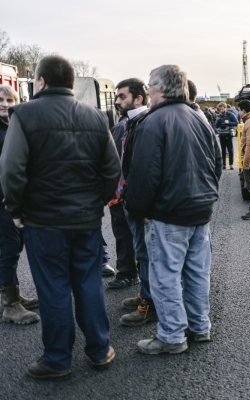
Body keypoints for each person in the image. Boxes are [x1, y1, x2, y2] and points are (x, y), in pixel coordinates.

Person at [0, 55, 121, 380]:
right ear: (70, 83)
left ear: (40, 82)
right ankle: (100, 350)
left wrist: (16, 210)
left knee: (53, 287)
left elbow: (11, 170)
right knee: (89, 282)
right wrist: (99, 200)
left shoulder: (23, 115)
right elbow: (112, 168)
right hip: (86, 220)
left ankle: (57, 359)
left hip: (43, 221)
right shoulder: (96, 117)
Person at [126, 64, 222, 355]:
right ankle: (199, 326)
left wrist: (139, 209)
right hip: (199, 210)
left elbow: (143, 174)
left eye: (150, 86)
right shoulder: (199, 117)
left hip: (168, 214)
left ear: (162, 89)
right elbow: (216, 162)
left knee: (165, 276)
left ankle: (171, 336)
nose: (147, 91)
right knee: (197, 273)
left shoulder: (153, 122)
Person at [0, 84, 39, 325]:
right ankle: (10, 304)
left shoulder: (14, 127)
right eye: (0, 100)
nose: (5, 104)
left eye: (9, 100)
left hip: (15, 199)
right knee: (9, 248)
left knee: (14, 246)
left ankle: (12, 291)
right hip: (3, 200)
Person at [105, 78, 147, 292]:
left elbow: (115, 163)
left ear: (138, 99)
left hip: (122, 194)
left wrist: (115, 193)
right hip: (127, 193)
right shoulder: (134, 123)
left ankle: (127, 273)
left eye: (122, 97)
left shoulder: (124, 126)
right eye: (116, 96)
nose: (117, 101)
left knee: (124, 234)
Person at [215, 102, 238, 170]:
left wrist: (229, 122)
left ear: (225, 108)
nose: (221, 111)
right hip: (221, 135)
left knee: (230, 150)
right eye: (220, 109)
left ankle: (231, 164)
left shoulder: (230, 115)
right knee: (223, 150)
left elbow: (237, 123)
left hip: (228, 134)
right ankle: (224, 164)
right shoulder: (219, 116)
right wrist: (218, 121)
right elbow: (216, 126)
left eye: (222, 109)